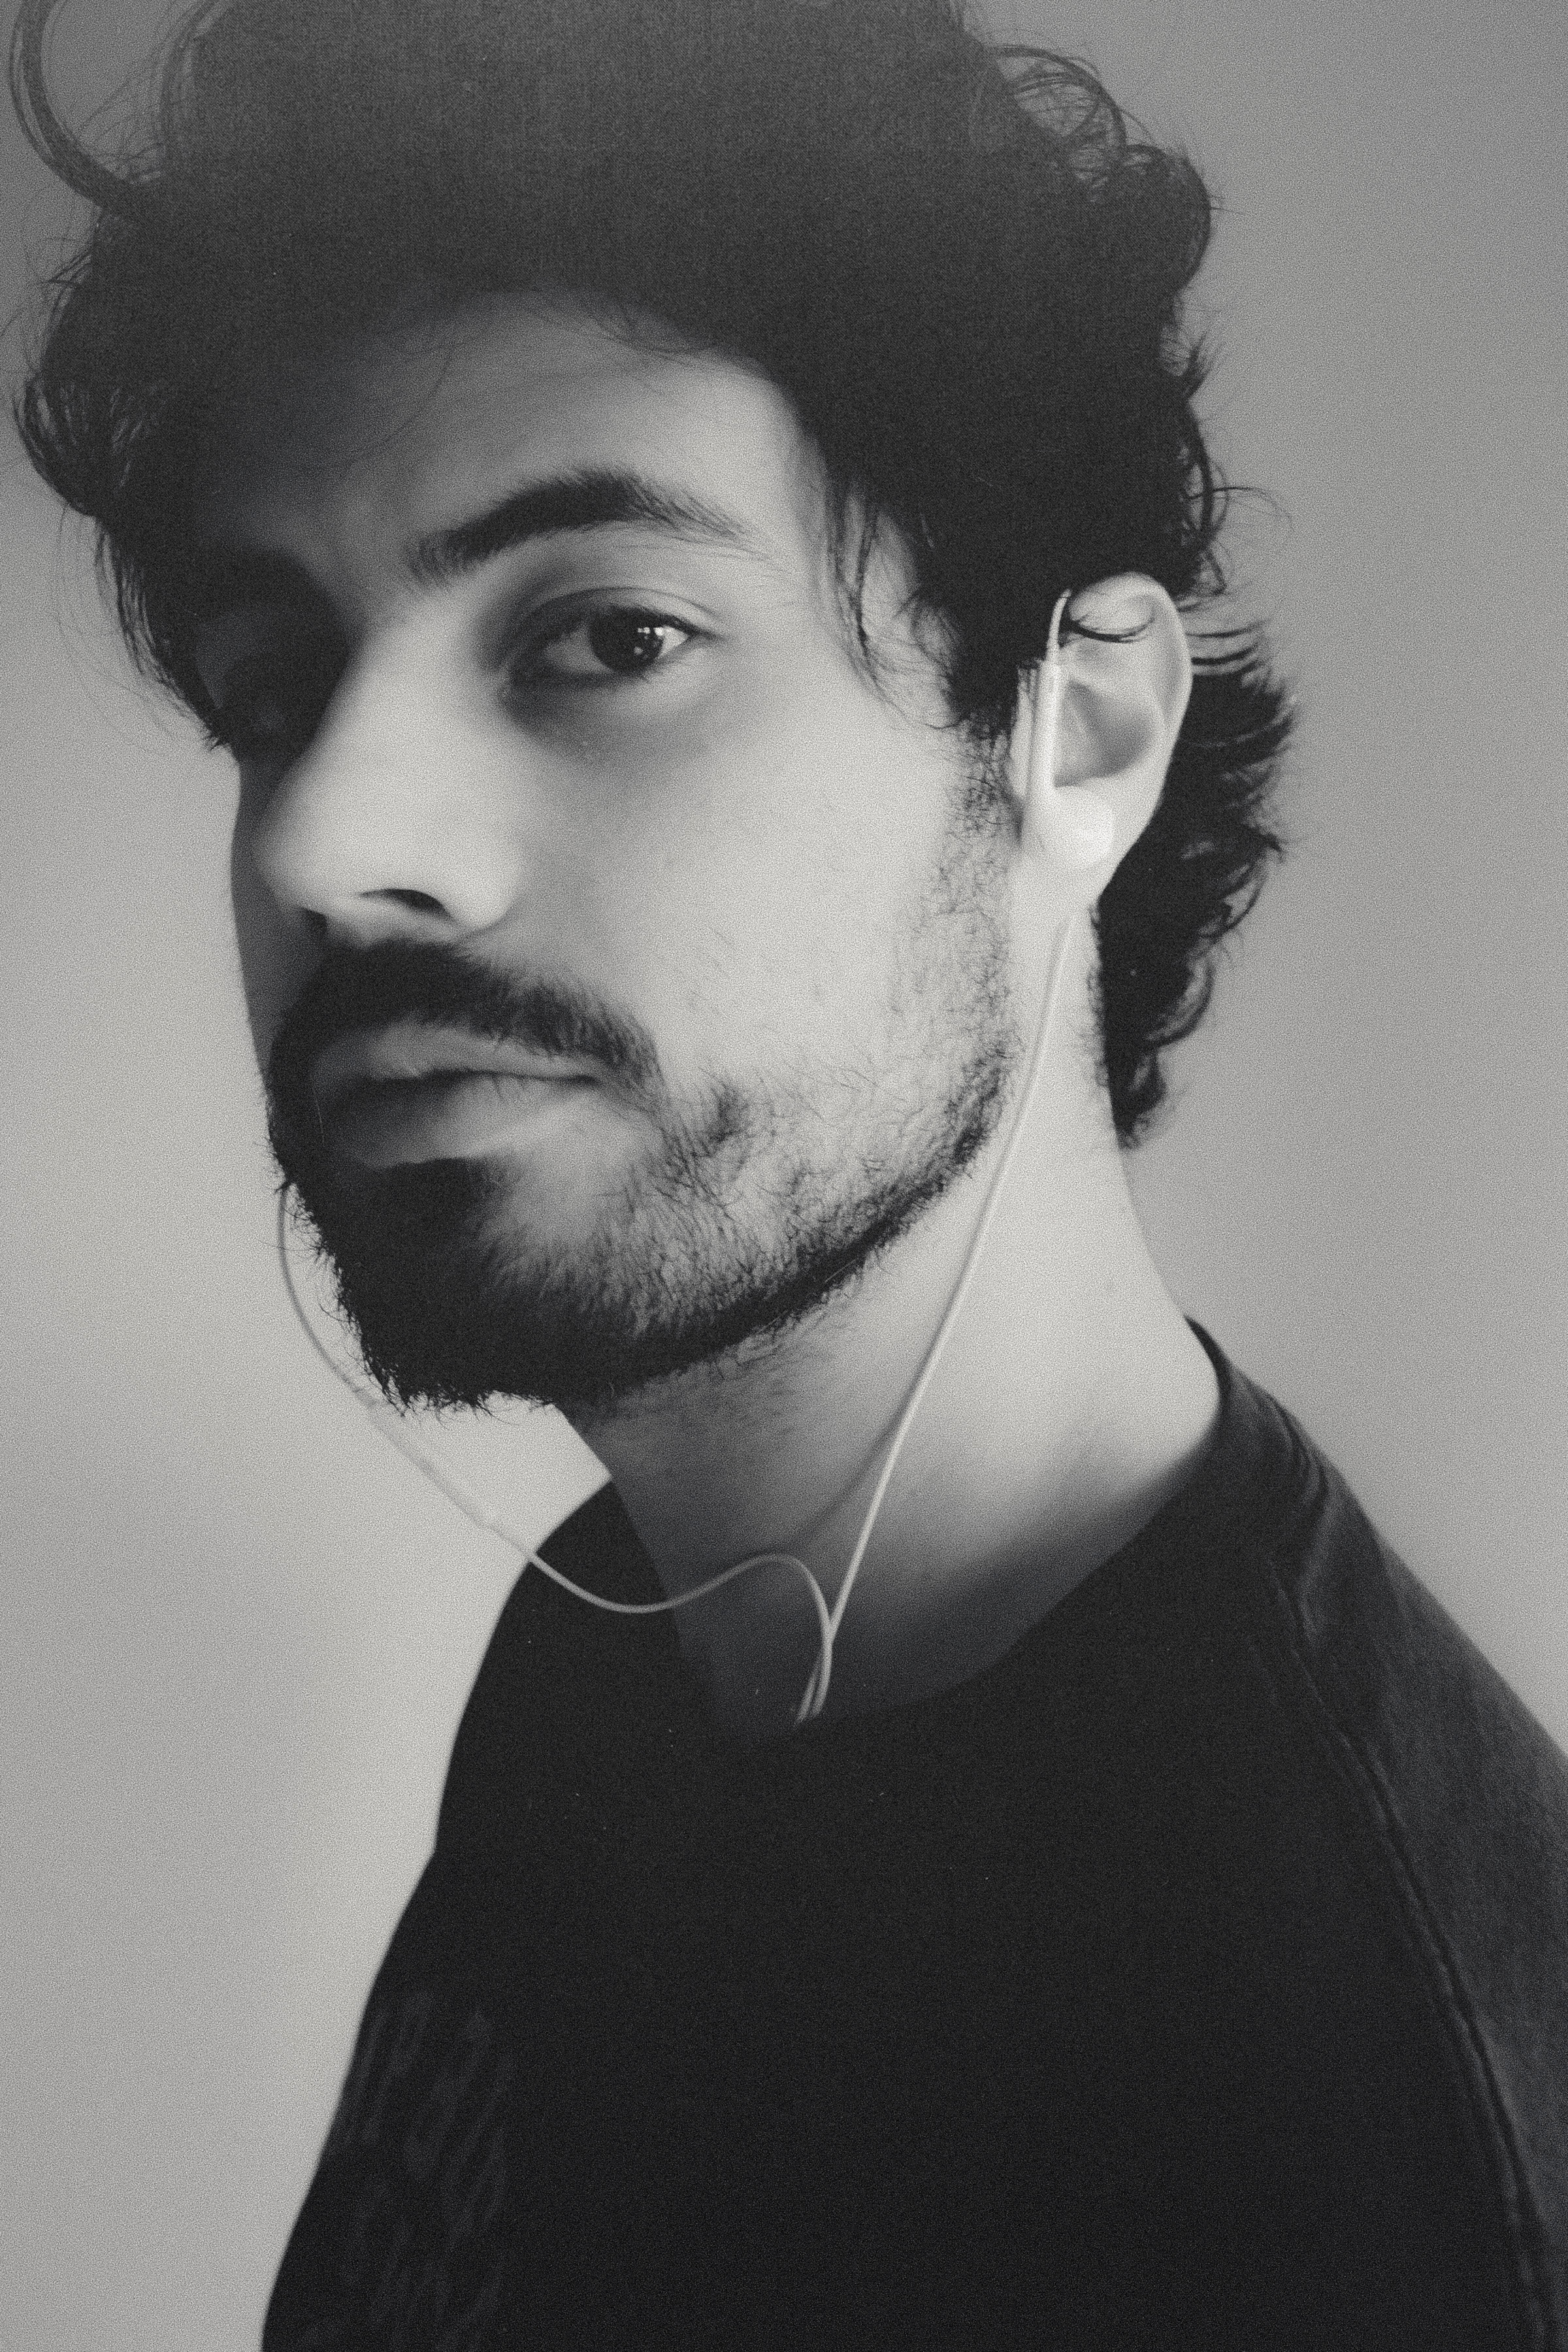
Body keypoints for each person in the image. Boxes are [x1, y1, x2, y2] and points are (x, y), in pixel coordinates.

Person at [10, 0, 1568, 2342]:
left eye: (606, 635)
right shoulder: (630, 1622)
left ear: (1078, 735)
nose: (326, 837)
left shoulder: (1349, 2148)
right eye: (275, 689)